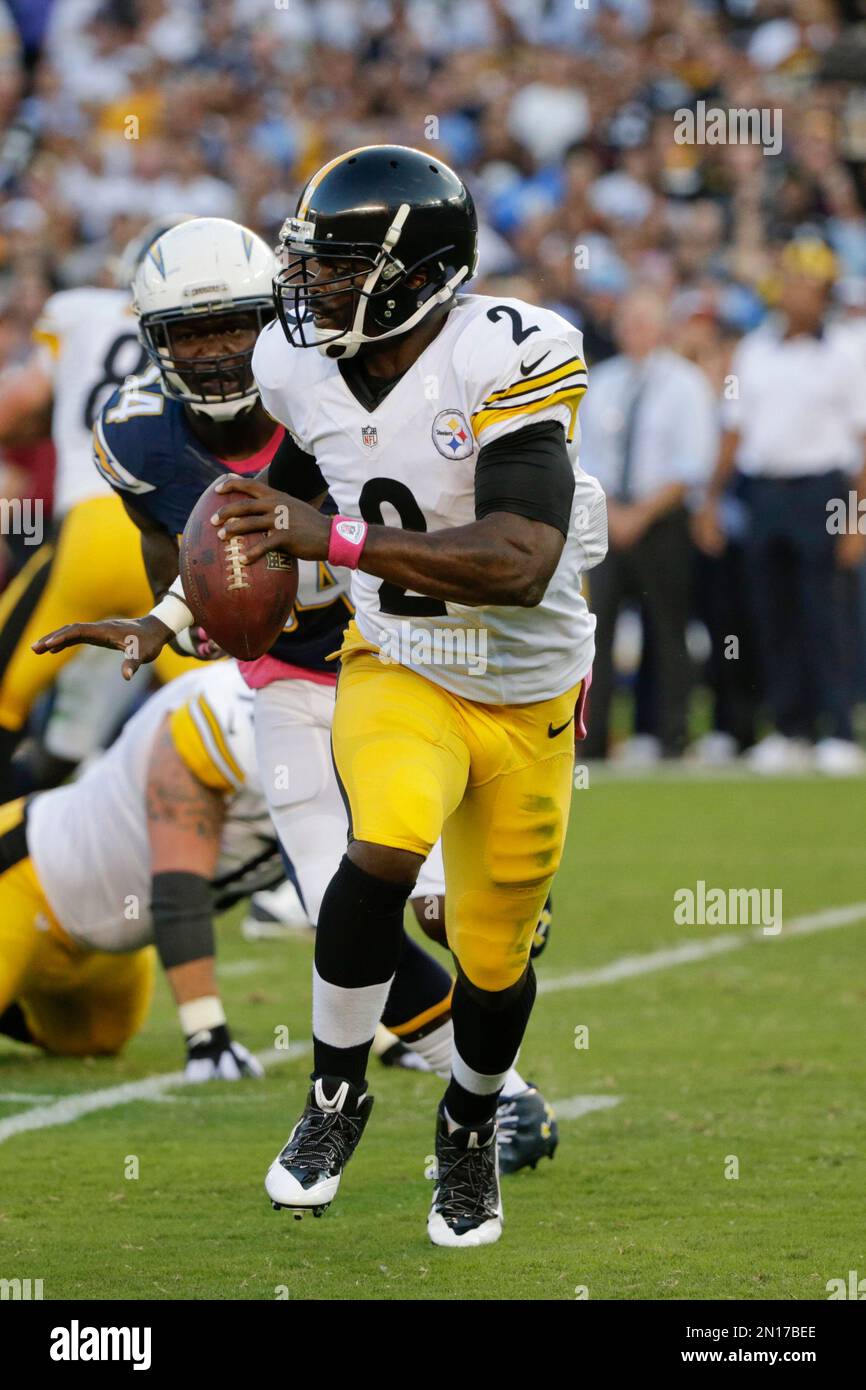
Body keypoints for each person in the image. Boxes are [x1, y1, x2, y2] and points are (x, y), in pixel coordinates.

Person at [76, 146, 604, 1246]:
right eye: (305, 266)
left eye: (336, 266)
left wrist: (336, 537)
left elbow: (514, 560)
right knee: (374, 864)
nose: (303, 294)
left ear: (415, 273)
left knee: (492, 948)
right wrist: (170, 618)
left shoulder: (511, 351)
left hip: (523, 680)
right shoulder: (287, 369)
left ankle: (470, 1115)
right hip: (385, 665)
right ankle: (333, 1095)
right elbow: (254, 513)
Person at [0, 216, 200, 798]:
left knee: (8, 696)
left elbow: (18, 408)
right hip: (179, 544)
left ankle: (23, 829)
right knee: (226, 712)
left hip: (87, 530)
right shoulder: (219, 330)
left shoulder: (81, 310)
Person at [694, 239, 866, 775]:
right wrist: (712, 499)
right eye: (790, 280)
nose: (795, 292)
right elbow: (734, 429)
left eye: (806, 283)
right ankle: (789, 727)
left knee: (827, 613)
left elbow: (863, 438)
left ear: (824, 292)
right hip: (763, 490)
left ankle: (837, 728)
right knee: (772, 614)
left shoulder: (847, 351)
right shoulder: (754, 350)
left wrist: (858, 518)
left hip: (823, 489)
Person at [578, 285, 717, 761]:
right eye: (629, 321)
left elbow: (691, 463)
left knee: (668, 626)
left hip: (662, 521)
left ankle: (672, 736)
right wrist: (614, 511)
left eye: (644, 321)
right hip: (607, 517)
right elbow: (586, 455)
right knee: (596, 629)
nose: (635, 331)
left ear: (661, 328)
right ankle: (591, 740)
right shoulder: (604, 381)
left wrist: (640, 513)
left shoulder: (685, 383)